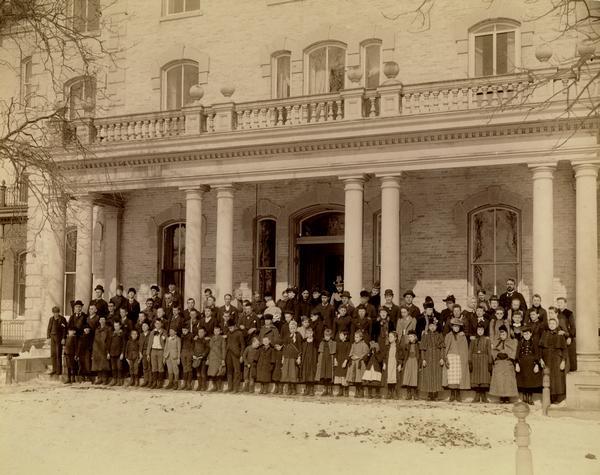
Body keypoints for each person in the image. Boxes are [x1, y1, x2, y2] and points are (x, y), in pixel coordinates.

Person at [540, 312, 567, 404]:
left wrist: (563, 361)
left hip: (557, 359)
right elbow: (540, 347)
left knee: (557, 378)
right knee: (548, 377)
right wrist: (541, 359)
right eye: (550, 323)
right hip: (547, 358)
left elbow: (564, 349)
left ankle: (557, 397)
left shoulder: (560, 335)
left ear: (556, 324)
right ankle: (549, 397)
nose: (551, 325)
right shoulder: (545, 334)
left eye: (553, 323)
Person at [442, 318, 470, 402]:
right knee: (451, 377)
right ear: (452, 327)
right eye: (455, 326)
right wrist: (445, 358)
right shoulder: (448, 335)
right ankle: (452, 394)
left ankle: (458, 394)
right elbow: (445, 347)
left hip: (459, 358)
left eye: (458, 327)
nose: (456, 328)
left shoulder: (462, 336)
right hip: (451, 357)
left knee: (458, 376)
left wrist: (464, 359)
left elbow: (465, 349)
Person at [489, 325, 519, 403]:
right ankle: (501, 396)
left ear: (507, 334)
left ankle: (507, 396)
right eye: (501, 334)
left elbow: (514, 351)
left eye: (504, 334)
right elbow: (493, 351)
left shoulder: (511, 341)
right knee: (500, 380)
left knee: (507, 380)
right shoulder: (497, 342)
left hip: (507, 362)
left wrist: (508, 355)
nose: (502, 336)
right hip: (499, 363)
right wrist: (497, 355)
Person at [515, 325, 542, 405]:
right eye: (524, 334)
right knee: (523, 381)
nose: (526, 336)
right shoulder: (520, 342)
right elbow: (517, 354)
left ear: (530, 334)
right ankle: (524, 398)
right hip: (522, 364)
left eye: (527, 334)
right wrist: (517, 364)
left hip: (531, 364)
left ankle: (530, 398)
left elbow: (537, 354)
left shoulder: (534, 342)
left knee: (530, 382)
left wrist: (537, 364)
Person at [419, 318, 445, 401]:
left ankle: (436, 394)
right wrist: (423, 359)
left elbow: (442, 348)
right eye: (430, 326)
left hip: (437, 356)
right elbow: (422, 348)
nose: (432, 327)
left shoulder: (439, 335)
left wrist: (442, 358)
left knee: (437, 374)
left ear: (436, 326)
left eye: (434, 326)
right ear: (428, 326)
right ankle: (430, 394)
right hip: (428, 356)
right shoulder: (425, 335)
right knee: (429, 374)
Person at [469, 322, 493, 403]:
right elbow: (470, 351)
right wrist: (470, 361)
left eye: (481, 330)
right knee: (476, 379)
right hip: (475, 360)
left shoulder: (487, 340)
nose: (480, 331)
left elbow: (489, 351)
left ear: (484, 330)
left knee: (483, 378)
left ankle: (483, 395)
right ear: (476, 330)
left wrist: (490, 362)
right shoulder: (473, 340)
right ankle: (477, 395)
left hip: (484, 360)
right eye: (478, 330)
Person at [346, 330, 369, 398]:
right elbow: (351, 353)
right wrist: (352, 357)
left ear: (361, 338)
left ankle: (361, 391)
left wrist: (358, 357)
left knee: (359, 378)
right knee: (355, 378)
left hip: (360, 363)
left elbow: (366, 353)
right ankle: (357, 391)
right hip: (354, 363)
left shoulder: (364, 345)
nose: (355, 339)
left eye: (357, 337)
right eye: (355, 337)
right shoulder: (353, 344)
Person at [281, 321, 302, 395]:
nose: (292, 329)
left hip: (294, 357)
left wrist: (299, 357)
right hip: (287, 356)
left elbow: (300, 347)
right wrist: (283, 357)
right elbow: (285, 347)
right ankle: (289, 388)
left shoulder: (298, 336)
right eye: (291, 328)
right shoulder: (287, 336)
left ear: (296, 328)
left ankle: (294, 388)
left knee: (293, 373)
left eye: (294, 328)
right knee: (287, 373)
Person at [556, 297, 576, 372]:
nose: (559, 304)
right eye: (558, 302)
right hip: (559, 336)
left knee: (569, 353)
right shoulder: (556, 312)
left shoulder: (569, 313)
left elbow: (572, 326)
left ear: (565, 304)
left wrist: (570, 337)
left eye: (561, 302)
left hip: (567, 336)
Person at [225, 319, 245, 393]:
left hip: (236, 354)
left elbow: (243, 345)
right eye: (229, 328)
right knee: (229, 371)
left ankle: (236, 388)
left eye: (231, 327)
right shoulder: (228, 333)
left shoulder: (239, 333)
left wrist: (241, 355)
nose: (230, 329)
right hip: (228, 354)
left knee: (237, 371)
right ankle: (230, 387)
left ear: (235, 326)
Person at [382, 331, 404, 399]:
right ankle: (389, 392)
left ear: (395, 338)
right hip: (389, 364)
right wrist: (384, 364)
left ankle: (394, 392)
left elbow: (401, 357)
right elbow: (385, 357)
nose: (389, 338)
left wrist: (400, 364)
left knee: (395, 378)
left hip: (395, 364)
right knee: (388, 378)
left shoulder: (398, 347)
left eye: (391, 336)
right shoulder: (387, 347)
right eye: (389, 336)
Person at [47, 306, 68, 376]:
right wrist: (48, 338)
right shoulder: (51, 319)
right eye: (54, 312)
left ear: (59, 312)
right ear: (53, 313)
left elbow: (65, 330)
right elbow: (49, 329)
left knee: (58, 353)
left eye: (57, 312)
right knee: (53, 354)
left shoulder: (62, 319)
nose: (56, 314)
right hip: (52, 337)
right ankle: (54, 369)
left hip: (59, 338)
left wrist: (63, 338)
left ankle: (59, 371)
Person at [315, 328, 336, 396]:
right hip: (323, 360)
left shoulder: (333, 343)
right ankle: (325, 390)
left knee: (329, 375)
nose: (327, 337)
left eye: (328, 335)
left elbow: (333, 352)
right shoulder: (322, 343)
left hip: (329, 360)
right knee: (323, 375)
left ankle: (330, 390)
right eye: (326, 335)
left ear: (331, 336)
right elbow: (320, 352)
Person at [148, 318, 167, 389]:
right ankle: (154, 382)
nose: (157, 325)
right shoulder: (152, 332)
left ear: (161, 324)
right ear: (154, 324)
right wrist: (148, 353)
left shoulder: (164, 332)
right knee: (154, 367)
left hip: (160, 350)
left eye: (159, 323)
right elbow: (150, 343)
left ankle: (160, 383)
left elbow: (166, 341)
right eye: (156, 323)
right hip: (153, 350)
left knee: (160, 367)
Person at [92, 316, 111, 385]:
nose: (102, 321)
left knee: (104, 364)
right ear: (99, 321)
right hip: (97, 349)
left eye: (103, 320)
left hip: (104, 348)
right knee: (98, 364)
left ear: (105, 321)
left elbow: (109, 340)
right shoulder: (97, 329)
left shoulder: (108, 329)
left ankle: (105, 379)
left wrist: (108, 351)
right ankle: (99, 378)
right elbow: (95, 340)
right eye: (101, 320)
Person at [207, 325, 226, 392]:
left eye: (218, 331)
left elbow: (223, 349)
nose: (216, 332)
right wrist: (208, 358)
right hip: (212, 358)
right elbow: (210, 349)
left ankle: (219, 388)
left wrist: (223, 359)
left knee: (219, 373)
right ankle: (214, 387)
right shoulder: (212, 338)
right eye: (215, 331)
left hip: (219, 357)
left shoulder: (222, 339)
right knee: (212, 373)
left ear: (220, 331)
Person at [401, 330, 420, 400]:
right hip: (409, 361)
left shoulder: (418, 345)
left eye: (411, 337)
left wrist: (419, 363)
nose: (410, 338)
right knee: (408, 376)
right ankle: (408, 394)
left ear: (415, 337)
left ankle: (414, 394)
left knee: (414, 377)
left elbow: (419, 355)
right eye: (409, 337)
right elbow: (405, 353)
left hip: (415, 361)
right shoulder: (407, 345)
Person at [300, 326, 318, 396]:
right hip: (305, 360)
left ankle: (311, 389)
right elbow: (302, 351)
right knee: (306, 374)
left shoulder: (315, 342)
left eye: (310, 333)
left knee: (312, 374)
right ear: (306, 334)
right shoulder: (304, 341)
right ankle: (306, 389)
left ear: (312, 333)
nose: (309, 334)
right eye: (307, 333)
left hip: (312, 360)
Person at [108, 320, 126, 386]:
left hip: (119, 353)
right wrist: (108, 352)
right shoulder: (112, 333)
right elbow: (109, 344)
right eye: (115, 326)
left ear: (120, 326)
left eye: (117, 326)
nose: (116, 327)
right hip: (112, 353)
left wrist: (122, 353)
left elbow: (124, 344)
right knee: (113, 367)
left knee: (119, 367)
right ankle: (114, 379)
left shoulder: (122, 334)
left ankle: (119, 380)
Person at [334, 330, 351, 397]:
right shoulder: (338, 343)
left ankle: (346, 391)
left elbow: (348, 353)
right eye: (339, 335)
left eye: (341, 335)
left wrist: (345, 361)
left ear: (345, 336)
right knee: (339, 375)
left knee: (344, 376)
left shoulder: (348, 344)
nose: (339, 336)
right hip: (339, 360)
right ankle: (340, 391)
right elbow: (336, 352)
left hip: (344, 361)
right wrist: (335, 360)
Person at [192, 327, 210, 391]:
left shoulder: (206, 340)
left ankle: (204, 386)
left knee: (203, 373)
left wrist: (202, 355)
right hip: (196, 358)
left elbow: (207, 349)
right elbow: (192, 348)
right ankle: (199, 386)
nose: (200, 333)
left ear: (204, 333)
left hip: (203, 359)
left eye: (202, 332)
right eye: (199, 332)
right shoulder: (195, 340)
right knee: (198, 373)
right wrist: (193, 355)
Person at [180, 326, 195, 390]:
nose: (184, 332)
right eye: (183, 330)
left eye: (185, 330)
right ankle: (184, 383)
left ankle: (189, 384)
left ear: (188, 330)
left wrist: (192, 353)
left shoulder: (191, 335)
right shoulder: (182, 336)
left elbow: (193, 345)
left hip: (189, 351)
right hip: (183, 352)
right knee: (184, 368)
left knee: (189, 367)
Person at [138, 321, 152, 387]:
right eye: (142, 326)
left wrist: (148, 353)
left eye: (145, 326)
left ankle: (150, 381)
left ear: (148, 327)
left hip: (149, 352)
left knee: (150, 367)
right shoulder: (141, 335)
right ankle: (145, 380)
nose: (143, 327)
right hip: (143, 352)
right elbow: (140, 344)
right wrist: (140, 352)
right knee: (145, 367)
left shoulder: (151, 334)